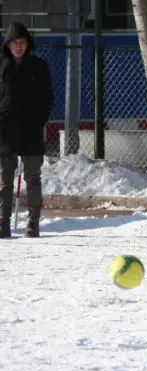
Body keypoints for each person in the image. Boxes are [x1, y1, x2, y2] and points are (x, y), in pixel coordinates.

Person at [0, 22, 53, 238]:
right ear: (8, 45)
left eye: (22, 42)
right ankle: (2, 222)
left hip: (31, 130)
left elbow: (48, 98)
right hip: (5, 130)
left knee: (33, 177)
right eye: (15, 43)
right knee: (5, 180)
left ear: (28, 44)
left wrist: (40, 120)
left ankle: (33, 222)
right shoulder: (1, 66)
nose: (18, 47)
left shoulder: (38, 66)